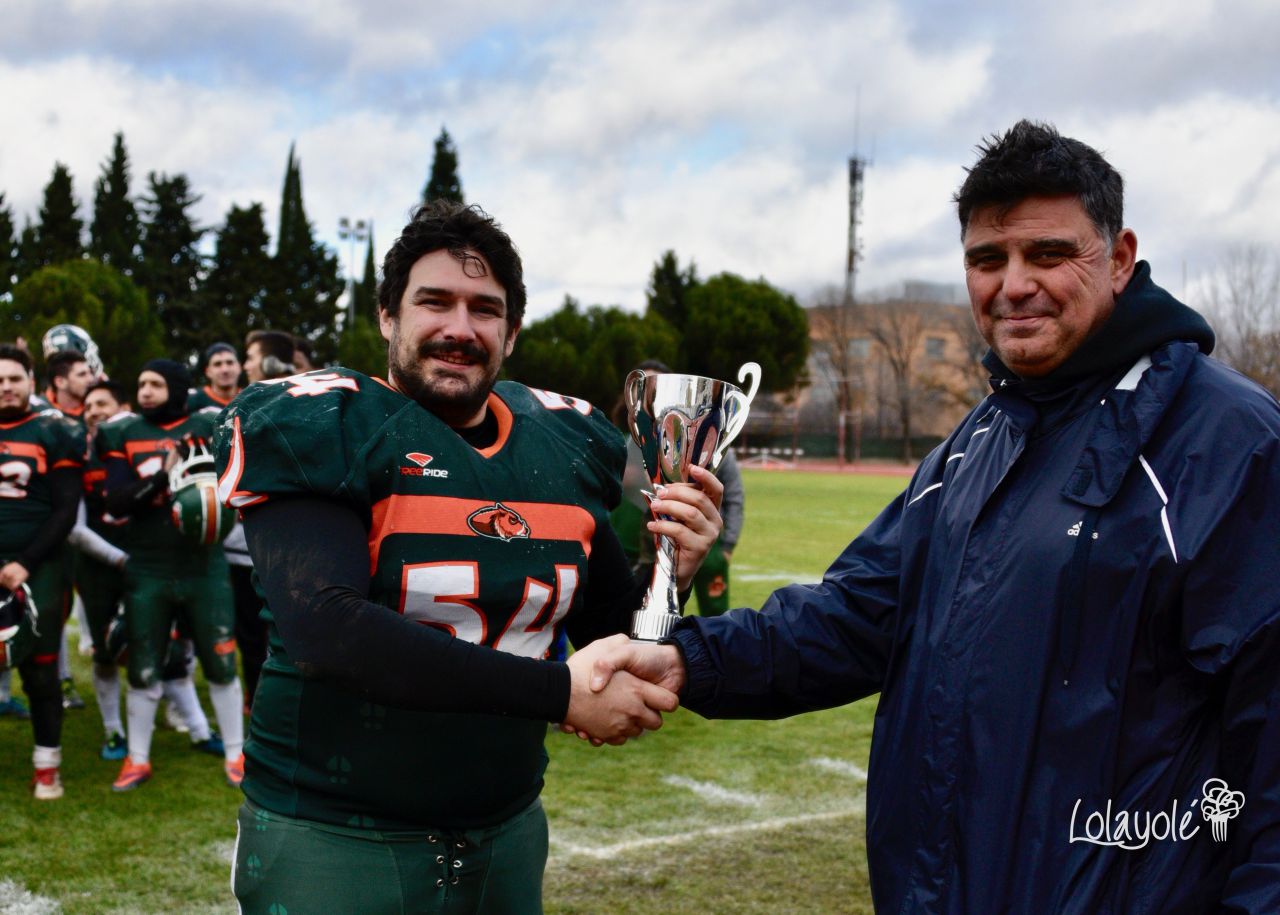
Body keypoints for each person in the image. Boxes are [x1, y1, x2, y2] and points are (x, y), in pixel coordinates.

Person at [586, 120, 1280, 912]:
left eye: (1049, 254)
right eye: (988, 259)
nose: (1013, 283)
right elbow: (854, 616)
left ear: (1119, 259)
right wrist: (686, 658)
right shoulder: (977, 441)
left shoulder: (1229, 443)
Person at [214, 200, 722, 914]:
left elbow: (615, 634)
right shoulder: (329, 424)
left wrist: (677, 568)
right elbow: (329, 629)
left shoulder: (560, 447)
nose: (460, 327)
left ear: (511, 332)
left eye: (485, 308)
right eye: (435, 301)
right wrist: (558, 693)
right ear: (388, 315)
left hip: (507, 828)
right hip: (334, 835)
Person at [97, 359, 245, 791]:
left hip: (204, 565)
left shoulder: (210, 422)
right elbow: (117, 502)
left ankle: (236, 753)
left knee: (220, 661)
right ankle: (137, 758)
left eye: (155, 384)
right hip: (149, 566)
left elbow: (239, 481)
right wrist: (164, 475)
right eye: (141, 382)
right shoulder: (122, 433)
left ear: (178, 388)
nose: (144, 391)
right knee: (143, 666)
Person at [0, 343, 85, 799]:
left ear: (31, 381)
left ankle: (47, 764)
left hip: (40, 563)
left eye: (13, 378)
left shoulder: (57, 431)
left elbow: (66, 510)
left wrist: (23, 563)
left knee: (40, 666)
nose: (5, 387)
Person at [613, 359, 746, 617]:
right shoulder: (620, 443)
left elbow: (735, 496)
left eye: (655, 388)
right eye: (642, 389)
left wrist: (727, 546)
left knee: (715, 614)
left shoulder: (708, 444)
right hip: (635, 551)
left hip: (698, 540)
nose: (648, 396)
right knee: (631, 613)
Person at [188, 342, 244, 412]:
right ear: (208, 371)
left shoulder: (251, 399)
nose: (225, 370)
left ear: (239, 367)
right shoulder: (192, 402)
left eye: (230, 363)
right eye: (217, 364)